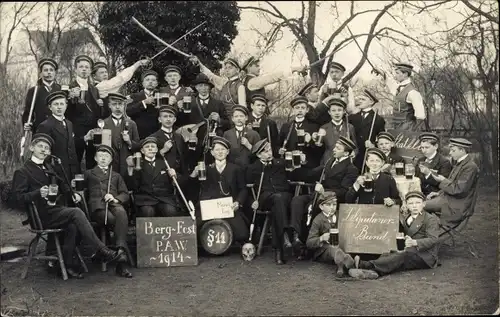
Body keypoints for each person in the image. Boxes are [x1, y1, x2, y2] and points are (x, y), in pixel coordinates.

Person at [9, 134, 126, 279]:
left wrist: (71, 193)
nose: (44, 150)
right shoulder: (23, 171)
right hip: (40, 215)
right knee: (76, 213)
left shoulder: (48, 167)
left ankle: (67, 265)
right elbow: (16, 199)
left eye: (47, 148)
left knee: (73, 226)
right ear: (32, 147)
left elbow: (61, 183)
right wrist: (37, 193)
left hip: (54, 210)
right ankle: (102, 250)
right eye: (40, 146)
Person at [349, 191, 440, 279]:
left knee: (402, 256)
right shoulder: (407, 217)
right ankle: (373, 272)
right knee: (389, 253)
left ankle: (366, 265)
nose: (415, 206)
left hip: (425, 256)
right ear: (407, 205)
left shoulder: (430, 219)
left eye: (418, 203)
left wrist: (414, 242)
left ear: (424, 204)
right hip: (411, 250)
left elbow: (433, 239)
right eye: (411, 203)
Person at [289, 136, 358, 249]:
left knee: (309, 207)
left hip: (331, 200)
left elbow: (344, 192)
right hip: (318, 195)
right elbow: (311, 174)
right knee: (297, 200)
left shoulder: (351, 169)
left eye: (338, 148)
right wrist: (299, 165)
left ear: (346, 154)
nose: (334, 149)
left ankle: (306, 241)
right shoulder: (329, 162)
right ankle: (296, 235)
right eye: (335, 147)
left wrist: (324, 191)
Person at [82, 144, 133, 278]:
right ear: (95, 158)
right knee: (114, 220)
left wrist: (116, 198)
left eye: (107, 156)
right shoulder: (88, 173)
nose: (103, 159)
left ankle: (119, 253)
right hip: (97, 206)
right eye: (100, 156)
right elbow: (80, 189)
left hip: (113, 204)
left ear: (111, 160)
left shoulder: (116, 175)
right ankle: (120, 257)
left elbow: (125, 194)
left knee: (121, 212)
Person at [189, 136, 250, 244]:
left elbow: (243, 189)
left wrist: (238, 202)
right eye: (217, 150)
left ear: (227, 152)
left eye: (223, 149)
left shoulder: (236, 169)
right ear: (212, 153)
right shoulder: (205, 169)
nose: (220, 152)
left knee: (242, 234)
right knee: (193, 232)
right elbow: (191, 187)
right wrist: (193, 175)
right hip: (210, 207)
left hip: (228, 207)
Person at [246, 139, 293, 264]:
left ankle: (279, 247)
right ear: (258, 155)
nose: (269, 153)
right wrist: (252, 201)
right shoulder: (253, 168)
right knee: (278, 200)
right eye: (265, 152)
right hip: (265, 198)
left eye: (270, 150)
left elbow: (296, 175)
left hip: (283, 196)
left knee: (279, 201)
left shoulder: (281, 163)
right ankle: (284, 238)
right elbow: (246, 188)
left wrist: (299, 164)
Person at [422, 138, 479, 228]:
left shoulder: (470, 167)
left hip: (456, 205)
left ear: (462, 150)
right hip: (449, 199)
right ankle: (428, 230)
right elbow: (453, 184)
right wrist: (438, 193)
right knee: (418, 203)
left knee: (418, 206)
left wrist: (442, 180)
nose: (450, 153)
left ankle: (427, 233)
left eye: (453, 150)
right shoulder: (460, 163)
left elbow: (458, 189)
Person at [66, 55, 110, 170]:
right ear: (76, 69)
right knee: (75, 160)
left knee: (92, 160)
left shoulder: (94, 89)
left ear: (90, 70)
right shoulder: (68, 88)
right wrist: (70, 98)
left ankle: (91, 186)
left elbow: (99, 114)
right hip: (76, 131)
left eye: (87, 67)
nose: (84, 69)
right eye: (81, 67)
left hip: (92, 130)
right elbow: (65, 112)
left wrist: (101, 105)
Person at [125, 137, 187, 217]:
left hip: (164, 198)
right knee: (148, 212)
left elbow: (176, 183)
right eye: (147, 147)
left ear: (157, 150)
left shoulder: (165, 163)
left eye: (153, 146)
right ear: (142, 151)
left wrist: (175, 175)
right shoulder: (138, 165)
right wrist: (130, 170)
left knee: (170, 211)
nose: (150, 149)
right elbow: (132, 186)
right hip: (145, 199)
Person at [306, 191, 356, 277]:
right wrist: (321, 238)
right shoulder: (318, 220)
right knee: (332, 249)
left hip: (342, 246)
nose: (332, 208)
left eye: (334, 204)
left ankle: (341, 266)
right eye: (328, 205)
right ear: (321, 206)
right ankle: (349, 263)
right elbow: (309, 243)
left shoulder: (341, 214)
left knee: (343, 248)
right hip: (324, 251)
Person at [36, 91, 79, 180]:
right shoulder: (45, 125)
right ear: (50, 107)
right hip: (57, 171)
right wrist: (49, 170)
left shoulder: (69, 123)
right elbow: (42, 152)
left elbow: (70, 145)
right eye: (56, 104)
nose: (59, 107)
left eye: (62, 104)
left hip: (72, 170)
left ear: (66, 106)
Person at [240, 55, 305, 112]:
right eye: (256, 66)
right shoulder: (252, 81)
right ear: (249, 68)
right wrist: (293, 69)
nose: (259, 68)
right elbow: (271, 77)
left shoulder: (249, 80)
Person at [373, 63, 426, 131]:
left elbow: (420, 116)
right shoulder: (398, 87)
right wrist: (381, 72)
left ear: (405, 74)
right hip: (396, 127)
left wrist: (412, 131)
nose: (395, 75)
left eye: (397, 73)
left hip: (408, 129)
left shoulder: (413, 92)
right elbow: (389, 82)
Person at [99, 93, 140, 178]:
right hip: (110, 164)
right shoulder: (103, 124)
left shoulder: (131, 124)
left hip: (126, 164)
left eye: (120, 104)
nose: (117, 107)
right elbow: (99, 147)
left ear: (124, 105)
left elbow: (138, 146)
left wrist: (129, 142)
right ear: (109, 105)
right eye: (114, 104)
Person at [278, 96, 321, 172]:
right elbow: (279, 144)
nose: (300, 110)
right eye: (297, 108)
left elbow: (319, 149)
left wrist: (309, 142)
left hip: (307, 165)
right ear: (293, 110)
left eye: (302, 108)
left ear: (307, 110)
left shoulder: (314, 126)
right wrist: (280, 150)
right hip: (290, 165)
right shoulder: (286, 126)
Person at [349, 89, 386, 172]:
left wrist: (373, 145)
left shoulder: (378, 119)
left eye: (363, 99)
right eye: (359, 99)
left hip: (368, 154)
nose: (360, 101)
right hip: (354, 154)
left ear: (371, 102)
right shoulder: (352, 118)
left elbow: (381, 139)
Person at [313, 98, 357, 165]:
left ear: (344, 111)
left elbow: (355, 146)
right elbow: (318, 147)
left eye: (339, 110)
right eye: (333, 110)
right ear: (329, 112)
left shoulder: (350, 127)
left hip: (344, 162)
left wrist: (354, 152)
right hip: (328, 161)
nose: (337, 113)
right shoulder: (323, 128)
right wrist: (315, 139)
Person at [23, 58, 62, 132]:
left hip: (59, 130)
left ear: (55, 73)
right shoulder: (34, 91)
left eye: (51, 70)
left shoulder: (61, 89)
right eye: (46, 70)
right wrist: (27, 123)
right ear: (41, 73)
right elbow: (28, 112)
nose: (49, 72)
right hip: (40, 129)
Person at [126, 70, 161, 139]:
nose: (150, 82)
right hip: (139, 134)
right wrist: (144, 103)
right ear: (143, 83)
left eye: (153, 80)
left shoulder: (161, 96)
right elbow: (128, 111)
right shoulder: (134, 96)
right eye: (147, 80)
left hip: (157, 134)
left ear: (157, 83)